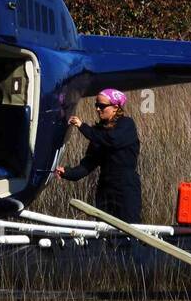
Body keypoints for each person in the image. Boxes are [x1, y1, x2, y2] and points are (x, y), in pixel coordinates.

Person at [54, 88, 142, 223]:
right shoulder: (98, 133)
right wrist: (67, 172)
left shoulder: (126, 125)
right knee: (103, 233)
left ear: (115, 107)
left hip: (126, 188)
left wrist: (83, 127)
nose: (98, 109)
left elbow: (111, 140)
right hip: (105, 189)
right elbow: (88, 164)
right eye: (96, 105)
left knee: (129, 233)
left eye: (102, 106)